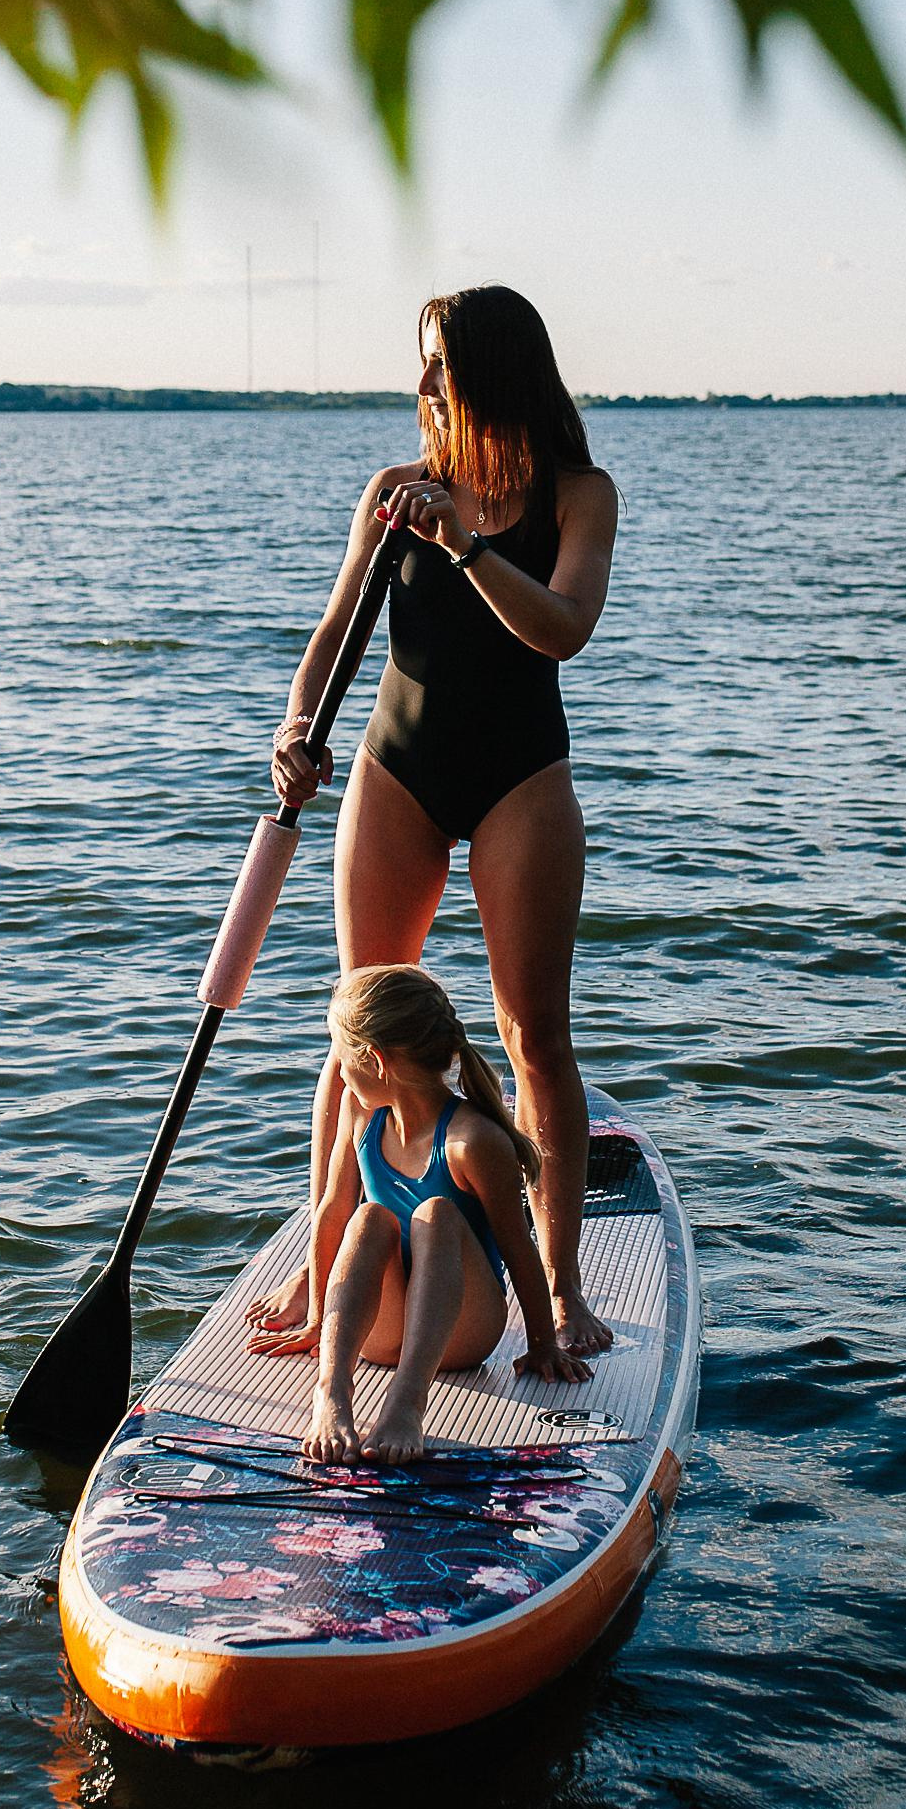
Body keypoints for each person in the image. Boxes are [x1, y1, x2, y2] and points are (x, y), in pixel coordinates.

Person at [250, 281, 620, 1361]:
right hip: (395, 770)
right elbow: (333, 633)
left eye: (440, 361)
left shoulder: (579, 494)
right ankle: (323, 1268)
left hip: (520, 778)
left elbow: (563, 628)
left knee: (532, 1035)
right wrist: (294, 724)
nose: (422, 381)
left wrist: (464, 543)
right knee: (356, 1030)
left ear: (493, 370)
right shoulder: (393, 491)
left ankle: (560, 1288)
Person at [302, 964, 584, 1466]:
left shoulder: (471, 1141)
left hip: (460, 1335)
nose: (339, 1073)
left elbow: (518, 1247)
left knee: (436, 1214)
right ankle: (332, 1391)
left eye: (341, 1057)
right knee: (367, 1220)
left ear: (375, 1060)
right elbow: (332, 1211)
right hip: (380, 1332)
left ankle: (407, 1400)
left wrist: (543, 1342)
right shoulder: (360, 1113)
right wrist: (318, 1320)